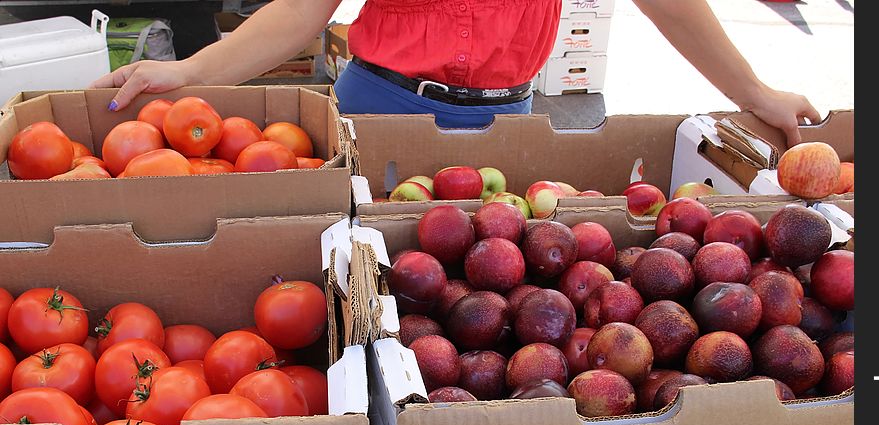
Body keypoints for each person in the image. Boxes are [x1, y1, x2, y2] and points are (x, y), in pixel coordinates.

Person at [92, 0, 819, 144]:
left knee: (489, 307)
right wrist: (187, 72)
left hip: (507, 122)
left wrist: (754, 94)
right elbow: (303, 11)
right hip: (378, 109)